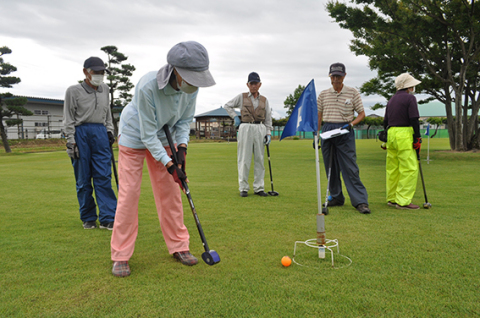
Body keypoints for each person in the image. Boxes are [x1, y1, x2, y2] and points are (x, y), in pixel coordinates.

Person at [110, 41, 215, 277]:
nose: (195, 82)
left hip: (164, 135)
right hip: (134, 135)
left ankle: (179, 246)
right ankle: (121, 254)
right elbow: (147, 134)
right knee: (129, 195)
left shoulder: (191, 88)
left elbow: (184, 122)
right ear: (176, 71)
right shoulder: (148, 86)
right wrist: (169, 164)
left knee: (171, 192)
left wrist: (181, 150)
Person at [63, 56, 117, 230]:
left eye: (102, 72)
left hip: (100, 133)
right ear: (86, 72)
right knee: (83, 179)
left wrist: (110, 131)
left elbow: (107, 113)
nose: (99, 75)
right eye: (96, 72)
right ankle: (88, 217)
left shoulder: (105, 89)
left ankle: (108, 217)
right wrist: (71, 141)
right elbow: (68, 118)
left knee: (103, 176)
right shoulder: (73, 91)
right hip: (81, 134)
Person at [317, 63, 371, 214]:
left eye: (339, 76)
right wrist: (316, 135)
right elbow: (319, 116)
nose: (336, 79)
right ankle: (336, 197)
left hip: (345, 130)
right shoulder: (323, 94)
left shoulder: (352, 92)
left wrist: (351, 124)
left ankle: (360, 201)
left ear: (344, 76)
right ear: (330, 77)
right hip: (327, 130)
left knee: (350, 167)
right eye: (333, 76)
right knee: (330, 167)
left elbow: (361, 114)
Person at [224, 72, 273, 197]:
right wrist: (235, 116)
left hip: (259, 127)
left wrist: (268, 133)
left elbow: (268, 118)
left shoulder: (264, 100)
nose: (254, 86)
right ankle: (243, 187)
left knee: (259, 159)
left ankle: (259, 187)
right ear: (247, 84)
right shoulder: (242, 97)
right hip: (245, 127)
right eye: (251, 83)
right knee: (244, 158)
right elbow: (227, 105)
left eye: (256, 83)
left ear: (260, 84)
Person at [383, 73, 422, 210]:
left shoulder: (391, 100)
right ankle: (403, 200)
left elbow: (385, 121)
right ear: (408, 86)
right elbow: (414, 119)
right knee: (409, 168)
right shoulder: (410, 98)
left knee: (393, 168)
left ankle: (392, 198)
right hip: (404, 133)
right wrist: (417, 137)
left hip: (391, 133)